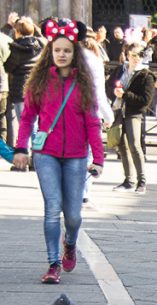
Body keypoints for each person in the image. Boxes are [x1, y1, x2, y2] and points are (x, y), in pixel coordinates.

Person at [13, 18, 104, 285]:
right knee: (52, 208)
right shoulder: (40, 83)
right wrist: (21, 147)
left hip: (76, 156)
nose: (62, 54)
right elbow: (28, 117)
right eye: (57, 50)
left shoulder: (84, 85)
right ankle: (53, 263)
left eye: (67, 50)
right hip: (46, 154)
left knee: (73, 215)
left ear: (74, 53)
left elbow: (92, 123)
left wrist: (98, 159)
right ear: (50, 53)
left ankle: (70, 243)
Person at [109, 41, 154, 193]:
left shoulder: (146, 75)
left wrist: (125, 95)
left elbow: (145, 100)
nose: (136, 58)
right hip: (118, 111)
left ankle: (141, 181)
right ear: (128, 55)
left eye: (140, 55)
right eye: (133, 55)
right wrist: (114, 93)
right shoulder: (120, 70)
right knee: (121, 146)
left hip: (134, 113)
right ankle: (129, 180)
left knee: (135, 144)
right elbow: (108, 87)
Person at [5, 17, 44, 154]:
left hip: (21, 88)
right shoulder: (41, 45)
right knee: (36, 122)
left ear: (18, 32)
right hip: (38, 87)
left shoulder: (17, 48)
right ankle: (37, 155)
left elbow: (9, 66)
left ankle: (23, 156)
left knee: (25, 123)